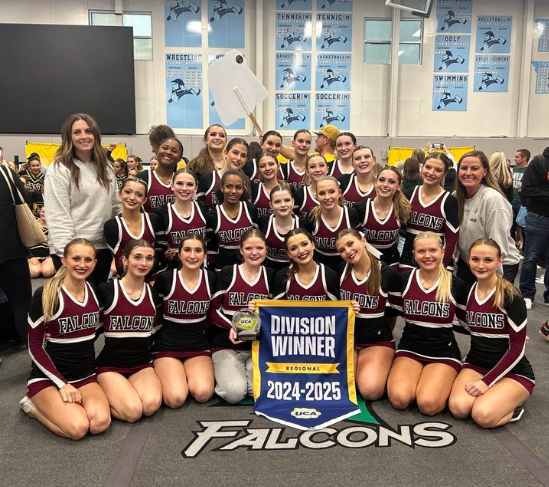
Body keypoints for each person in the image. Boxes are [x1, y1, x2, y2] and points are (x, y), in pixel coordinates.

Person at [19, 239, 111, 440]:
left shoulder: (94, 292)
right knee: (78, 429)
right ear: (63, 260)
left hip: (85, 375)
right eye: (76, 258)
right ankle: (31, 406)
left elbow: (96, 328)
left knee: (99, 423)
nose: (82, 264)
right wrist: (62, 384)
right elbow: (34, 345)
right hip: (49, 378)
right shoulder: (46, 293)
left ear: (95, 263)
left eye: (88, 260)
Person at [449, 239, 534, 427]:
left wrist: (486, 382)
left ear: (499, 261)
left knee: (483, 415)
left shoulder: (511, 296)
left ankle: (514, 404)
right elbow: (466, 325)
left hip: (514, 371)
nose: (481, 265)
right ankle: (497, 395)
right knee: (459, 408)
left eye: (488, 260)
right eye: (475, 259)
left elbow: (517, 348)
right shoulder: (468, 291)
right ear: (468, 261)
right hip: (476, 364)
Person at [387, 232, 468, 416]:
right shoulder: (404, 280)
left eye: (433, 250)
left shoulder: (456, 285)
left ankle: (439, 383)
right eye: (421, 251)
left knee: (428, 405)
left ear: (443, 251)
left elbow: (469, 323)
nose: (427, 255)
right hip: (410, 350)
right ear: (414, 254)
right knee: (399, 399)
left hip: (443, 353)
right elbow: (388, 309)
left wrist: (506, 332)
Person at [44, 113, 121, 287]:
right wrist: (68, 254)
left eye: (88, 131)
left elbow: (115, 206)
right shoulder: (59, 169)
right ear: (69, 137)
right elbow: (57, 216)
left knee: (98, 306)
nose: (84, 136)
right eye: (77, 132)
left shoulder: (106, 167)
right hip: (73, 253)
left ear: (96, 134)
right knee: (75, 307)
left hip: (102, 250)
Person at [96, 240, 162, 422]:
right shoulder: (107, 290)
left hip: (142, 365)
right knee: (133, 412)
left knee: (150, 406)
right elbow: (90, 329)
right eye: (137, 257)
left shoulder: (152, 293)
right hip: (111, 366)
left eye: (149, 259)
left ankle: (121, 394)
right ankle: (100, 398)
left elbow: (156, 330)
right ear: (125, 260)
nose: (143, 263)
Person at [209, 229, 273, 404]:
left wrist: (262, 310)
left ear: (266, 249)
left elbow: (277, 314)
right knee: (234, 394)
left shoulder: (270, 275)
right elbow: (213, 310)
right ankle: (227, 373)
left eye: (259, 248)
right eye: (249, 248)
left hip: (257, 348)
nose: (254, 253)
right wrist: (232, 326)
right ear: (241, 250)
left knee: (258, 392)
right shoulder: (229, 272)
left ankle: (246, 374)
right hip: (226, 346)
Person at [336, 229, 400, 400]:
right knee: (338, 386)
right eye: (342, 250)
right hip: (347, 340)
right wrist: (343, 307)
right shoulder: (342, 270)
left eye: (350, 244)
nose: (347, 251)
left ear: (363, 241)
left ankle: (386, 363)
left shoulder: (386, 273)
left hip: (376, 341)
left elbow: (396, 310)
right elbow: (331, 308)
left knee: (370, 390)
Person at [153, 235, 216, 407]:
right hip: (168, 346)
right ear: (179, 254)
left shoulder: (210, 278)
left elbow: (214, 312)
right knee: (176, 399)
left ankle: (185, 375)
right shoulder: (167, 278)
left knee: (202, 393)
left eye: (198, 250)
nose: (192, 255)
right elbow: (154, 313)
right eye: (187, 250)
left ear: (205, 255)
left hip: (197, 346)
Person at [455, 150, 521, 287]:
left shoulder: (492, 199)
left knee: (489, 306)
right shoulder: (456, 196)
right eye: (463, 168)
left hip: (497, 264)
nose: (468, 172)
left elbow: (498, 244)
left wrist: (493, 279)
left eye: (474, 168)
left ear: (484, 172)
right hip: (470, 262)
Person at [400, 152, 459, 272]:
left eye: (438, 170)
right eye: (428, 167)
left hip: (439, 264)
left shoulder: (450, 201)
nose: (431, 173)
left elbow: (451, 241)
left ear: (445, 174)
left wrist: (440, 266)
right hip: (409, 261)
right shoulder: (408, 195)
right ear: (422, 168)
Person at [0, 164, 32, 345]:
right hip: (11, 247)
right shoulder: (5, 172)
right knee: (22, 305)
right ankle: (36, 358)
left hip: (11, 249)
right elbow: (23, 199)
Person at [356, 167, 410, 267]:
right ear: (375, 182)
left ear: (399, 186)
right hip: (366, 262)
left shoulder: (402, 210)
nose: (385, 185)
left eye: (391, 182)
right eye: (381, 180)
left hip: (392, 262)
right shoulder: (360, 208)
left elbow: (403, 240)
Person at [303, 176, 361, 269]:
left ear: (339, 193)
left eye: (331, 192)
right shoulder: (311, 216)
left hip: (348, 267)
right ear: (316, 196)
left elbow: (360, 243)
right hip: (321, 268)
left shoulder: (351, 214)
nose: (327, 197)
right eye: (322, 193)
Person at [155, 169, 208, 270]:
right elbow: (159, 246)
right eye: (179, 183)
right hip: (173, 271)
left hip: (200, 268)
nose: (184, 188)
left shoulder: (203, 208)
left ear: (196, 188)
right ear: (172, 186)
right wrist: (165, 253)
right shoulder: (162, 213)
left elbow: (209, 239)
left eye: (190, 184)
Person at [206, 170, 258, 270]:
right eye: (229, 186)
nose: (233, 191)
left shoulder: (250, 210)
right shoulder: (213, 215)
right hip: (222, 268)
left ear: (243, 190)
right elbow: (212, 246)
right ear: (222, 187)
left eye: (238, 187)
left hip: (248, 265)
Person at [519, 146, 549, 308]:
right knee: (531, 257)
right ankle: (527, 294)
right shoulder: (539, 162)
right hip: (538, 217)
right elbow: (527, 189)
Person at [273, 228, 340, 300]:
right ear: (289, 254)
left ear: (313, 245)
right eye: (293, 248)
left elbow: (338, 308)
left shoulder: (330, 276)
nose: (301, 251)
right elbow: (275, 309)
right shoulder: (282, 277)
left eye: (304, 244)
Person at [258, 185, 300, 273]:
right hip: (268, 272)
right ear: (271, 205)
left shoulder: (301, 223)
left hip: (295, 272)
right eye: (277, 202)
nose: (283, 205)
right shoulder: (264, 221)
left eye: (287, 200)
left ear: (293, 202)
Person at [198, 138, 249, 208]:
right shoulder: (208, 178)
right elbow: (199, 209)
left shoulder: (246, 181)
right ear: (225, 153)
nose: (238, 158)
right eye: (235, 153)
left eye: (243, 155)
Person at [137, 137, 184, 213]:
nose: (168, 152)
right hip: (148, 224)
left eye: (174, 151)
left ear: (180, 158)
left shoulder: (182, 180)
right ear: (158, 150)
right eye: (164, 148)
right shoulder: (143, 177)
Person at [251, 152, 282, 217]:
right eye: (262, 166)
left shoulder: (288, 189)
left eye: (271, 164)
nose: (267, 168)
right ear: (258, 170)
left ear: (278, 166)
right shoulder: (253, 189)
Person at [28, 207, 55, 279]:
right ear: (39, 212)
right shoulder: (31, 225)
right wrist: (31, 257)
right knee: (34, 273)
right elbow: (24, 242)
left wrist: (52, 256)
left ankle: (44, 267)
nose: (44, 214)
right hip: (33, 255)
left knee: (46, 272)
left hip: (47, 255)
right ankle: (38, 267)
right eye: (43, 212)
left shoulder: (53, 227)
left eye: (47, 212)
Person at [510, 149, 530, 243]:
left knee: (524, 227)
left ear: (524, 158)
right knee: (511, 227)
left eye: (517, 157)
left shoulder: (529, 170)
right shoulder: (514, 169)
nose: (515, 159)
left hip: (522, 204)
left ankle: (525, 249)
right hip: (512, 201)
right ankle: (513, 247)